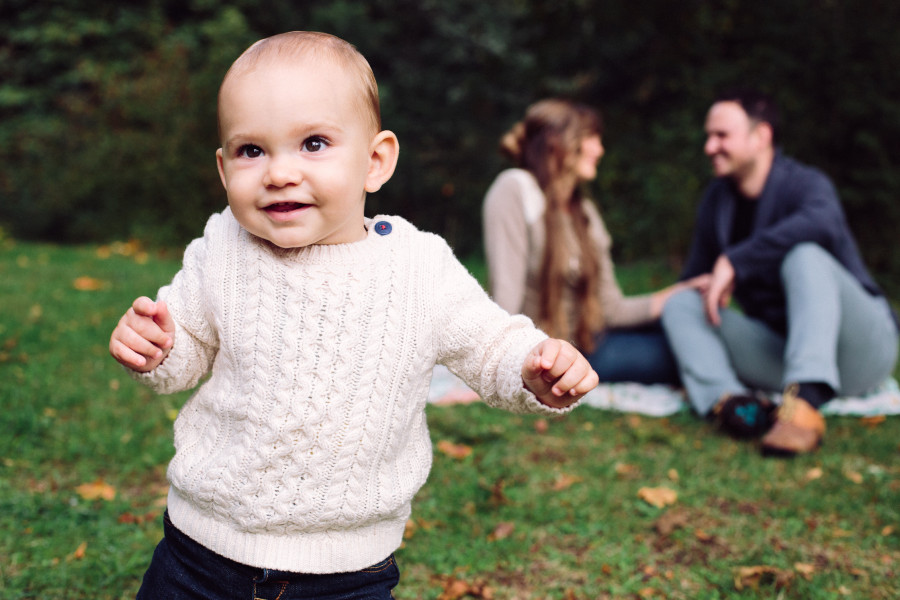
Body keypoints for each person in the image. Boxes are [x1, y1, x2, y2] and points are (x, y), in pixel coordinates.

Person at [108, 32, 598, 599]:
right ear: (223, 171)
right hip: (202, 552)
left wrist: (533, 369)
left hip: (347, 572)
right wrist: (159, 348)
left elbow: (490, 346)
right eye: (251, 151)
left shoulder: (418, 267)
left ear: (375, 160)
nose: (279, 173)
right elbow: (187, 341)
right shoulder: (223, 247)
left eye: (313, 143)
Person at [661, 89, 899, 456]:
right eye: (708, 136)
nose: (709, 146)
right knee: (682, 303)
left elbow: (823, 223)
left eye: (721, 135)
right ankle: (734, 407)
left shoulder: (806, 184)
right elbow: (693, 277)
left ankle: (805, 401)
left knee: (803, 255)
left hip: (862, 352)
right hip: (782, 353)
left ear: (762, 137)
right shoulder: (716, 200)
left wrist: (735, 261)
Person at [482, 99, 705, 385]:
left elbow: (612, 309)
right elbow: (505, 297)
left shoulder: (583, 212)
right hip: (556, 357)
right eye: (592, 138)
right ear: (558, 142)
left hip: (594, 339)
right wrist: (491, 375)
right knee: (686, 350)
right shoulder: (515, 189)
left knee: (691, 328)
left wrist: (681, 294)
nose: (599, 150)